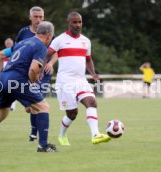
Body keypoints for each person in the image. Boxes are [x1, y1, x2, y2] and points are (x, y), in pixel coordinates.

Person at [0, 21, 58, 152]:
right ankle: (43, 146)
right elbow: (33, 70)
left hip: (3, 79)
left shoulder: (21, 43)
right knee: (43, 107)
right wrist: (32, 84)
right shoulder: (41, 46)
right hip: (16, 80)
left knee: (0, 114)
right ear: (49, 36)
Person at [44, 11, 111, 146]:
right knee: (72, 114)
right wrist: (41, 69)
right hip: (65, 82)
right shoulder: (60, 40)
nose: (77, 24)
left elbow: (88, 59)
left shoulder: (86, 41)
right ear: (68, 23)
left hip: (81, 80)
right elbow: (46, 55)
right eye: (74, 22)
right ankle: (62, 135)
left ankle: (95, 135)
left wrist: (92, 73)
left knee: (91, 102)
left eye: (79, 22)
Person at [16, 6, 57, 141]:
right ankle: (35, 132)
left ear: (43, 17)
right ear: (30, 17)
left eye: (41, 17)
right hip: (28, 73)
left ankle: (34, 133)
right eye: (36, 17)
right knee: (33, 104)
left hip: (43, 74)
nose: (38, 19)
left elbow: (56, 51)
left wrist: (50, 64)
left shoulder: (48, 31)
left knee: (37, 101)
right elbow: (17, 50)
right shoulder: (23, 32)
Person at [3, 38, 17, 111]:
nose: (8, 43)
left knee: (12, 90)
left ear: (13, 43)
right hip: (5, 74)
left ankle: (12, 106)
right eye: (7, 42)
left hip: (13, 74)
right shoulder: (3, 53)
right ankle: (6, 105)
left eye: (10, 42)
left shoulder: (16, 52)